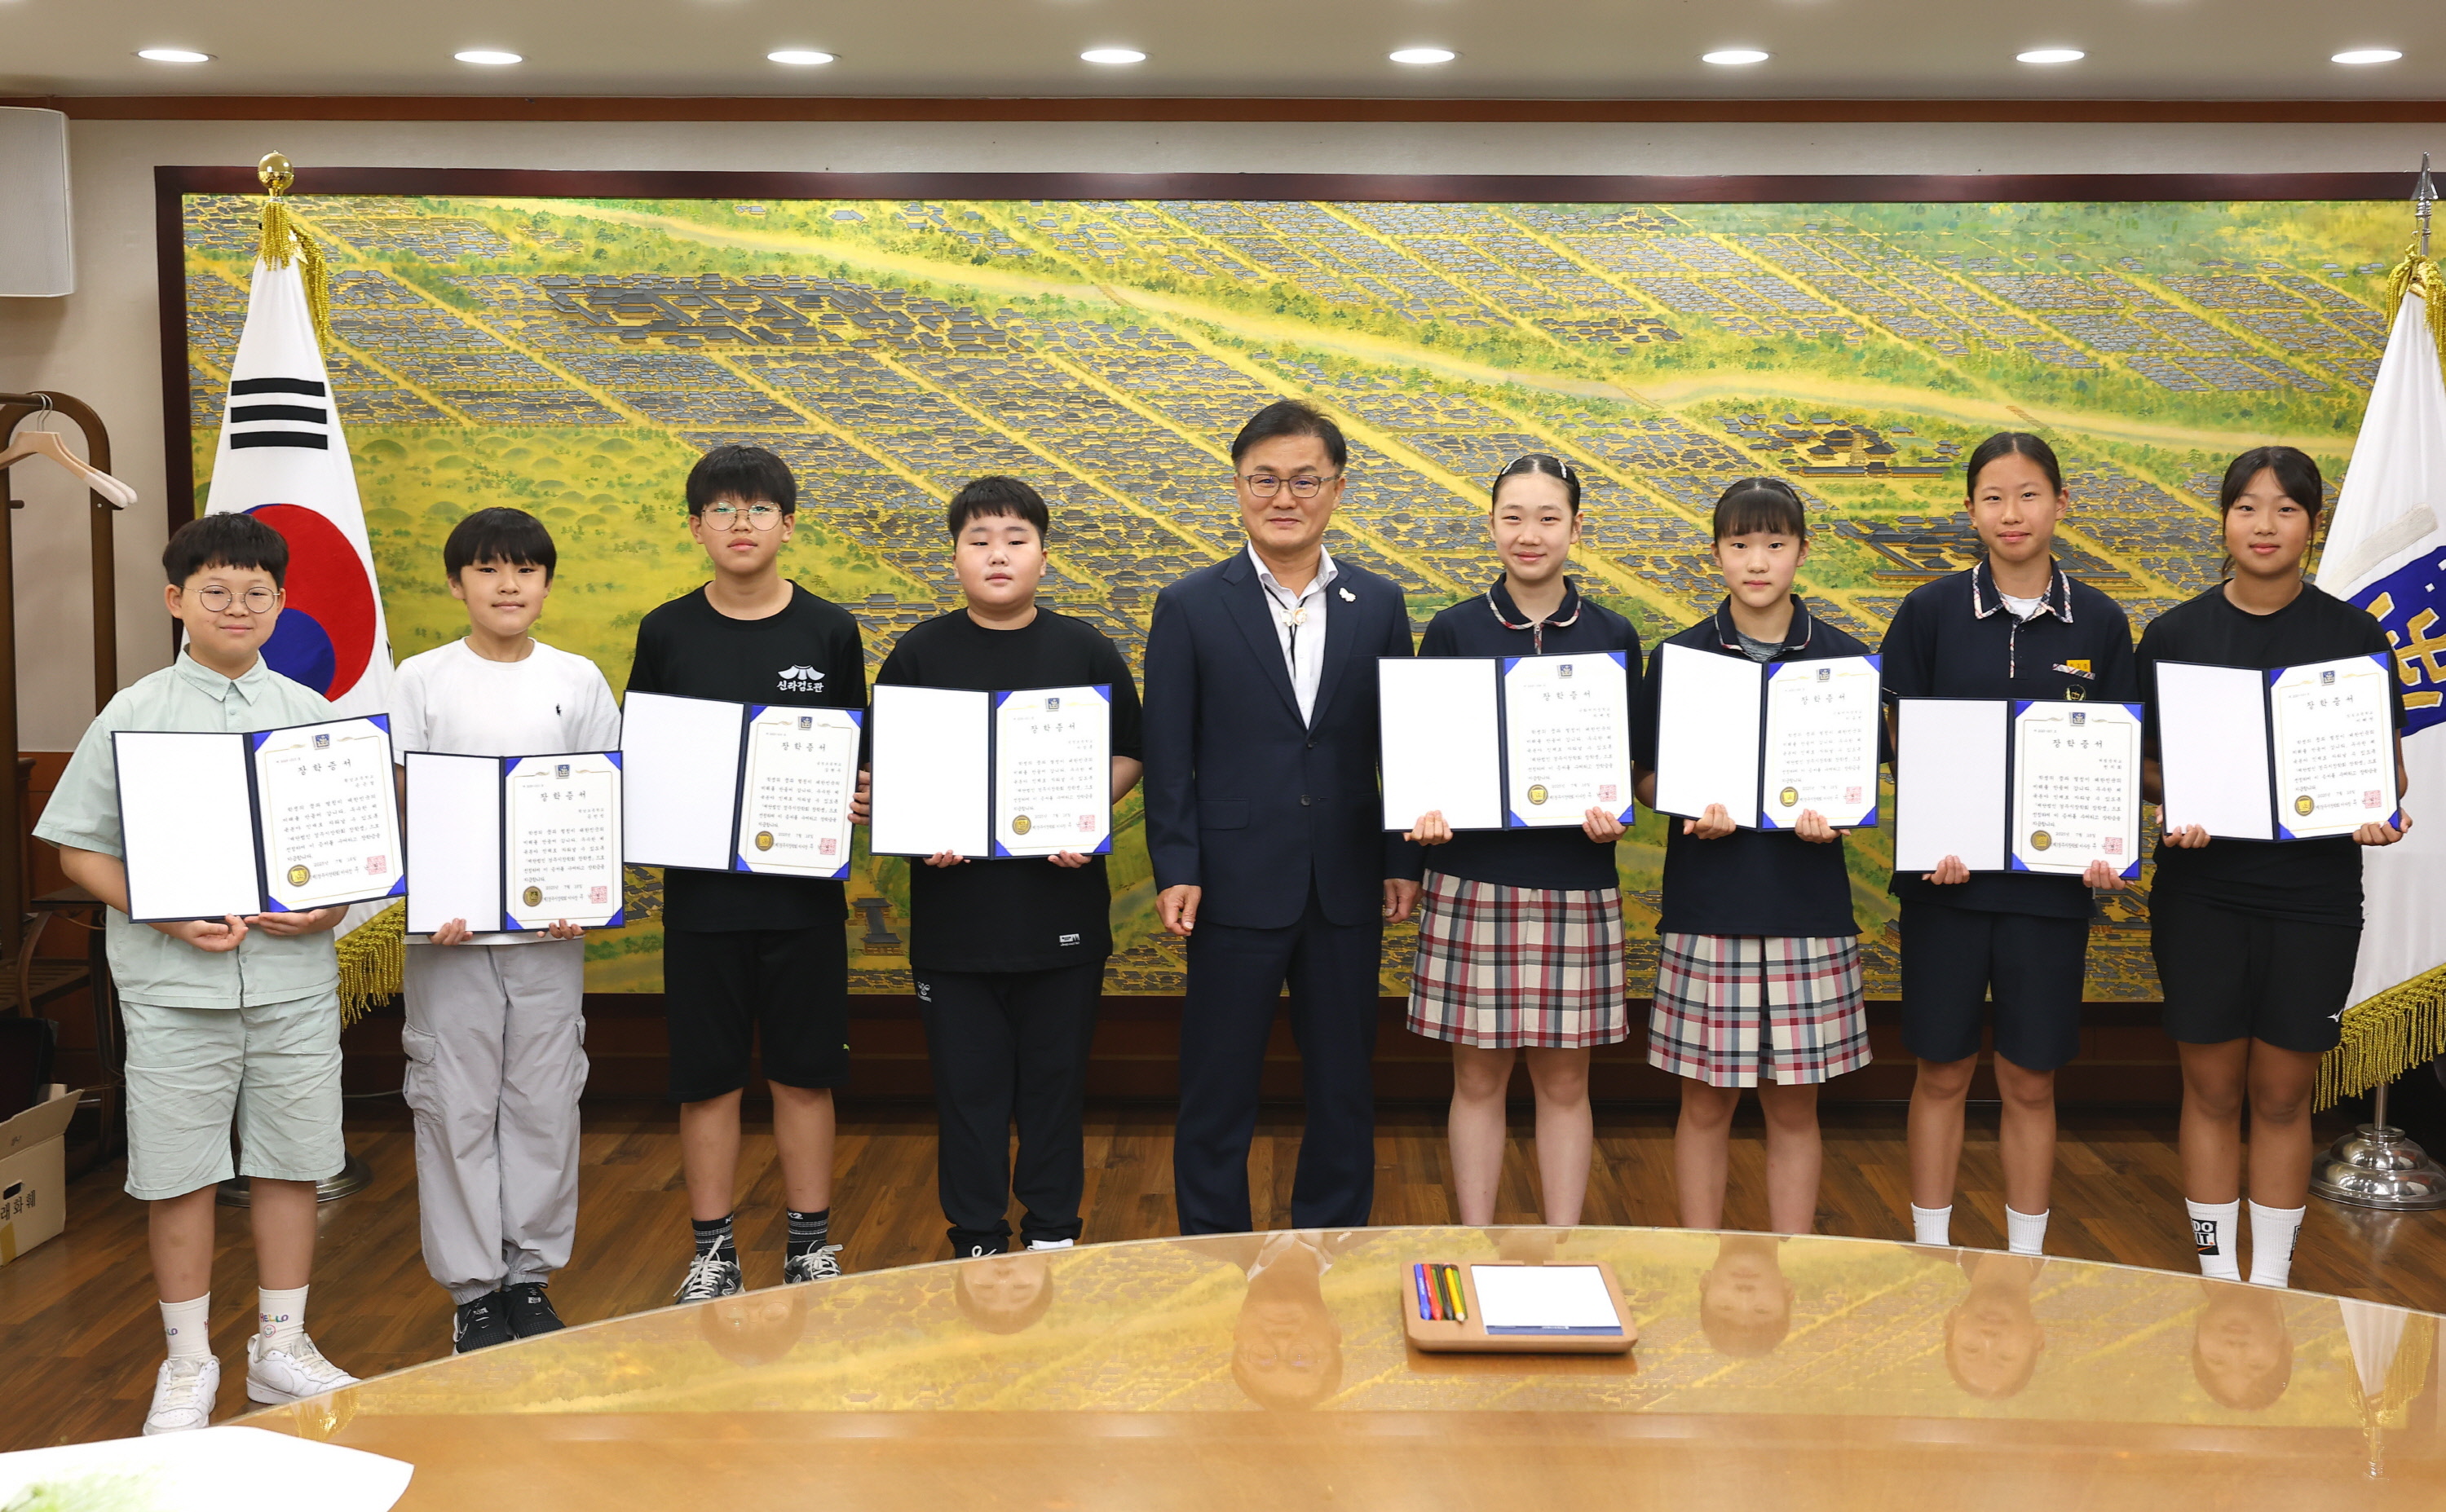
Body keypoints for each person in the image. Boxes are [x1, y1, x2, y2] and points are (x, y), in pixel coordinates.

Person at [36, 513, 360, 1433]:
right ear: (177, 600)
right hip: (173, 990)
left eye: (257, 592)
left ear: (282, 602)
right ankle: (187, 1360)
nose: (237, 607)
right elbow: (76, 848)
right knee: (178, 1173)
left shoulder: (313, 718)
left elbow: (347, 858)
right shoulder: (134, 712)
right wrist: (164, 911)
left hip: (292, 985)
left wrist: (329, 909)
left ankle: (281, 1347)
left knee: (294, 1161)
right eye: (215, 591)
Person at [1142, 399, 1423, 1233]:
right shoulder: (1190, 604)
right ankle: (1212, 1247)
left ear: (1337, 489)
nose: (1284, 497)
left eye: (1305, 480)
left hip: (1345, 879)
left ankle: (1331, 1236)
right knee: (1217, 1079)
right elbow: (1169, 753)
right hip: (1231, 880)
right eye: (1264, 479)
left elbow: (1400, 745)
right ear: (1238, 488)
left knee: (1343, 1079)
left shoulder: (1379, 602)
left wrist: (1400, 859)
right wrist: (1178, 865)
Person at [2137, 447, 2409, 1288]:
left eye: (2285, 509)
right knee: (2212, 1091)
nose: (2265, 525)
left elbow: (2390, 773)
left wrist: (2376, 807)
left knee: (2286, 1095)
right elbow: (2145, 765)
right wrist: (2176, 799)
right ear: (2224, 520)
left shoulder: (2353, 635)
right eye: (2247, 507)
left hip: (2315, 897)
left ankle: (2274, 1283)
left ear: (2312, 525)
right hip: (2202, 893)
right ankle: (2220, 1274)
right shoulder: (2175, 635)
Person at [1880, 433, 2138, 1257]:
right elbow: (1901, 739)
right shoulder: (1929, 611)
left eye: (2029, 494)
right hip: (1945, 886)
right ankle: (1931, 1248)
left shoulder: (2100, 619)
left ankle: (2027, 1258)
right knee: (1942, 1070)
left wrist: (2103, 842)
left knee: (2031, 1078)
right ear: (1971, 511)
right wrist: (1934, 830)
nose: (2012, 512)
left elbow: (2117, 750)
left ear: (2061, 504)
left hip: (2049, 895)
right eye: (1993, 497)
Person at [874, 475, 1144, 1259]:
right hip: (955, 926)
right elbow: (887, 767)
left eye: (1016, 540)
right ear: (955, 557)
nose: (998, 555)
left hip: (1059, 916)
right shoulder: (919, 653)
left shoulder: (1084, 648)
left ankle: (1054, 1230)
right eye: (979, 540)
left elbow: (1131, 752)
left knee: (1055, 1088)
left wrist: (1084, 812)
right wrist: (919, 827)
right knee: (968, 1092)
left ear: (1043, 557)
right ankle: (977, 1236)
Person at [625, 444, 868, 1300]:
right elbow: (644, 758)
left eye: (759, 508)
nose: (741, 523)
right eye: (722, 510)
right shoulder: (666, 631)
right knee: (708, 1078)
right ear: (696, 527)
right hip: (703, 902)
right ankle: (713, 1253)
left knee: (805, 1072)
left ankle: (809, 1247)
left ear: (788, 525)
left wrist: (858, 789)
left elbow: (854, 751)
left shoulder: (830, 630)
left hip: (804, 900)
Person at [391, 507, 622, 1352]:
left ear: (547, 584)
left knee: (544, 1105)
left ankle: (530, 1277)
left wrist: (579, 891)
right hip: (449, 939)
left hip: (548, 938)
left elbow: (600, 798)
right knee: (453, 1107)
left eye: (525, 569)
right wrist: (434, 894)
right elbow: (402, 801)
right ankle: (473, 1294)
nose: (508, 584)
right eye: (487, 569)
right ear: (457, 584)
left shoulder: (578, 678)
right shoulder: (420, 679)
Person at [1632, 478, 1875, 1236]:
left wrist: (1835, 817)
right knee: (1704, 1103)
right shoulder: (1680, 658)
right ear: (1717, 553)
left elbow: (1857, 785)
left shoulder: (1845, 660)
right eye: (1740, 544)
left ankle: (1794, 1259)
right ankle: (1698, 1254)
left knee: (1795, 1106)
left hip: (1808, 909)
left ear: (1802, 551)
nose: (1758, 561)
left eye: (1775, 543)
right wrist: (1684, 804)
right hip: (1710, 906)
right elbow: (1644, 777)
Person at [1402, 454, 1638, 1226]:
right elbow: (1423, 753)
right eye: (1513, 517)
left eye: (1547, 517)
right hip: (1472, 878)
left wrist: (1615, 811)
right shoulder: (1454, 628)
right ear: (1491, 525)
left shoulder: (1612, 634)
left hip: (1576, 879)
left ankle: (1563, 1244)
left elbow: (1628, 764)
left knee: (1566, 1084)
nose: (1529, 534)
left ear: (1576, 527)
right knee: (1477, 1080)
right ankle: (1475, 1239)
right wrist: (1425, 812)